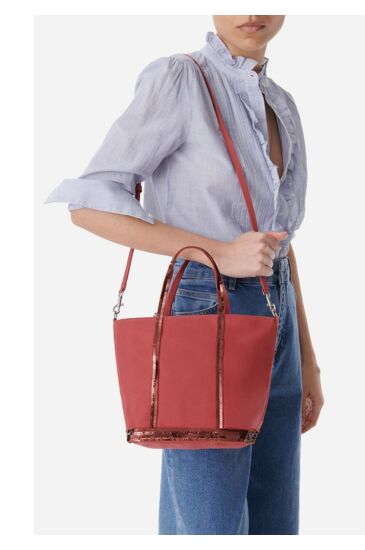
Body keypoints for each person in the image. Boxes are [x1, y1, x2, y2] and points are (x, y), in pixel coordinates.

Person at [44, 15, 324, 535]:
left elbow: (279, 246)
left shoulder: (281, 103)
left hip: (278, 316)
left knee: (276, 525)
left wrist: (308, 360)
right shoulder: (181, 79)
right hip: (207, 308)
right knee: (209, 527)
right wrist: (221, 253)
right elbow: (88, 207)